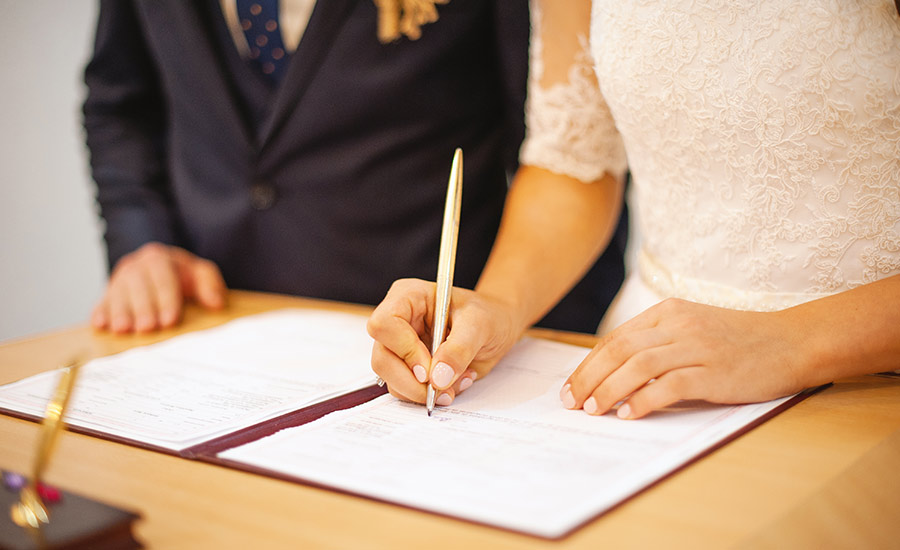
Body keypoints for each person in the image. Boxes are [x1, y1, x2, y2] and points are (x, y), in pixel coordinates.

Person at [367, 0, 900, 416]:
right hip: (646, 372)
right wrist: (500, 306)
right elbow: (574, 159)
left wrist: (787, 342)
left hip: (870, 383)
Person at [83, 0, 628, 335]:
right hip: (211, 322)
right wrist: (142, 242)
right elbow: (122, 102)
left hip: (428, 341)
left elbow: (567, 148)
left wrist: (541, 340)